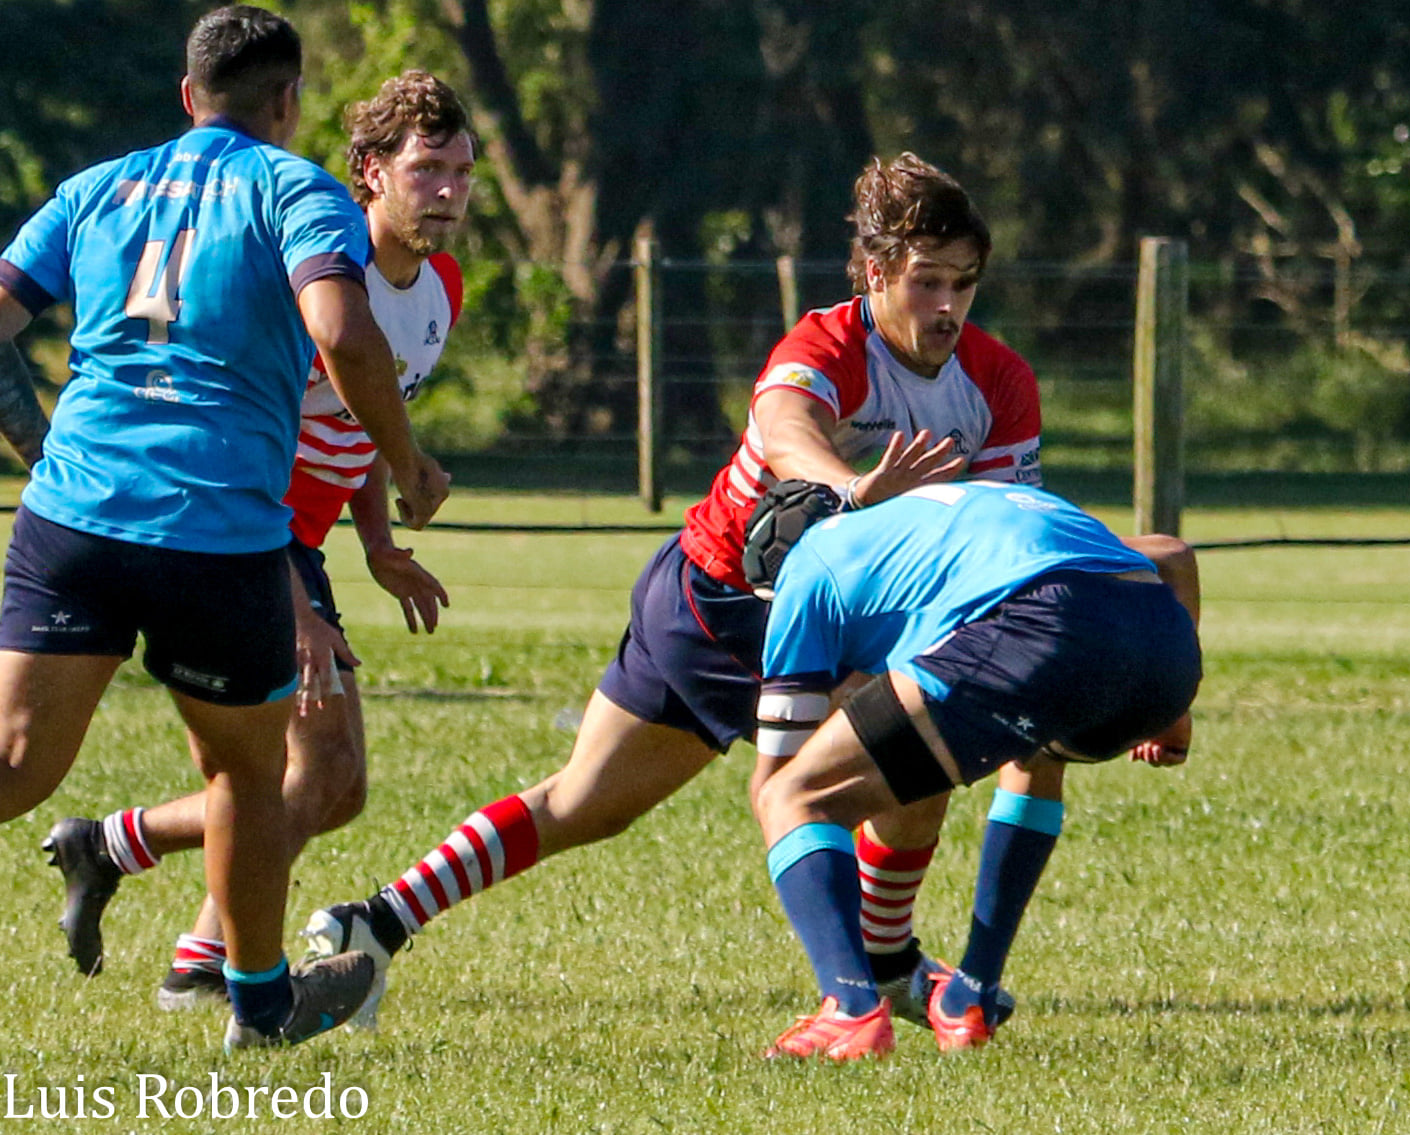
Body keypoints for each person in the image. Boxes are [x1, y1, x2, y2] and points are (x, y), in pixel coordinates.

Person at [302, 153, 1172, 1029]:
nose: (946, 306)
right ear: (875, 275)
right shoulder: (828, 344)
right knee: (906, 759)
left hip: (790, 602)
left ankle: (374, 921)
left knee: (582, 803)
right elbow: (782, 424)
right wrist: (847, 487)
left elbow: (999, 522)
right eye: (926, 282)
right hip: (725, 598)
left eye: (964, 284)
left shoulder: (996, 381)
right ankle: (884, 965)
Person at [0, 6, 448, 1049]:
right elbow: (341, 332)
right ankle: (257, 1003)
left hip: (78, 513)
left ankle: (230, 972)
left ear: (186, 96)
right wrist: (407, 461)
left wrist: (41, 443)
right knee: (247, 774)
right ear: (288, 102)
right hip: (219, 530)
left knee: (16, 759)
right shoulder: (296, 190)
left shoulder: (96, 188)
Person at [744, 480, 1201, 1060]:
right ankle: (971, 995)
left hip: (1042, 621)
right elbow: (1171, 553)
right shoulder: (926, 521)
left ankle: (850, 1008)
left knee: (796, 798)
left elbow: (776, 775)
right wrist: (1176, 711)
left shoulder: (805, 567)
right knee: (1033, 750)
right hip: (1163, 653)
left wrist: (800, 861)